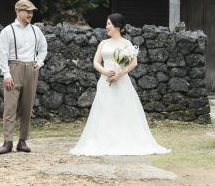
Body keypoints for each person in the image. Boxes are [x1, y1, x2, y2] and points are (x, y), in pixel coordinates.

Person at [70, 13, 170, 155]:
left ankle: (124, 140)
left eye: (109, 24)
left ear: (118, 27)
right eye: (106, 24)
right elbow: (96, 62)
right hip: (105, 82)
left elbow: (133, 62)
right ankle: (104, 142)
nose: (106, 27)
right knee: (104, 110)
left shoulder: (127, 44)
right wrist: (105, 72)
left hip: (122, 83)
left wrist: (119, 74)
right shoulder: (103, 43)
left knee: (123, 110)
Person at [0, 0, 48, 155]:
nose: (30, 15)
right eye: (28, 11)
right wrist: (6, 74)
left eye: (32, 12)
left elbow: (43, 48)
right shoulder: (8, 30)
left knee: (27, 106)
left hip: (31, 69)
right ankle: (8, 142)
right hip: (14, 67)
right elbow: (3, 54)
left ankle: (22, 141)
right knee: (10, 107)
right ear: (18, 12)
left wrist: (39, 63)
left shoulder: (35, 30)